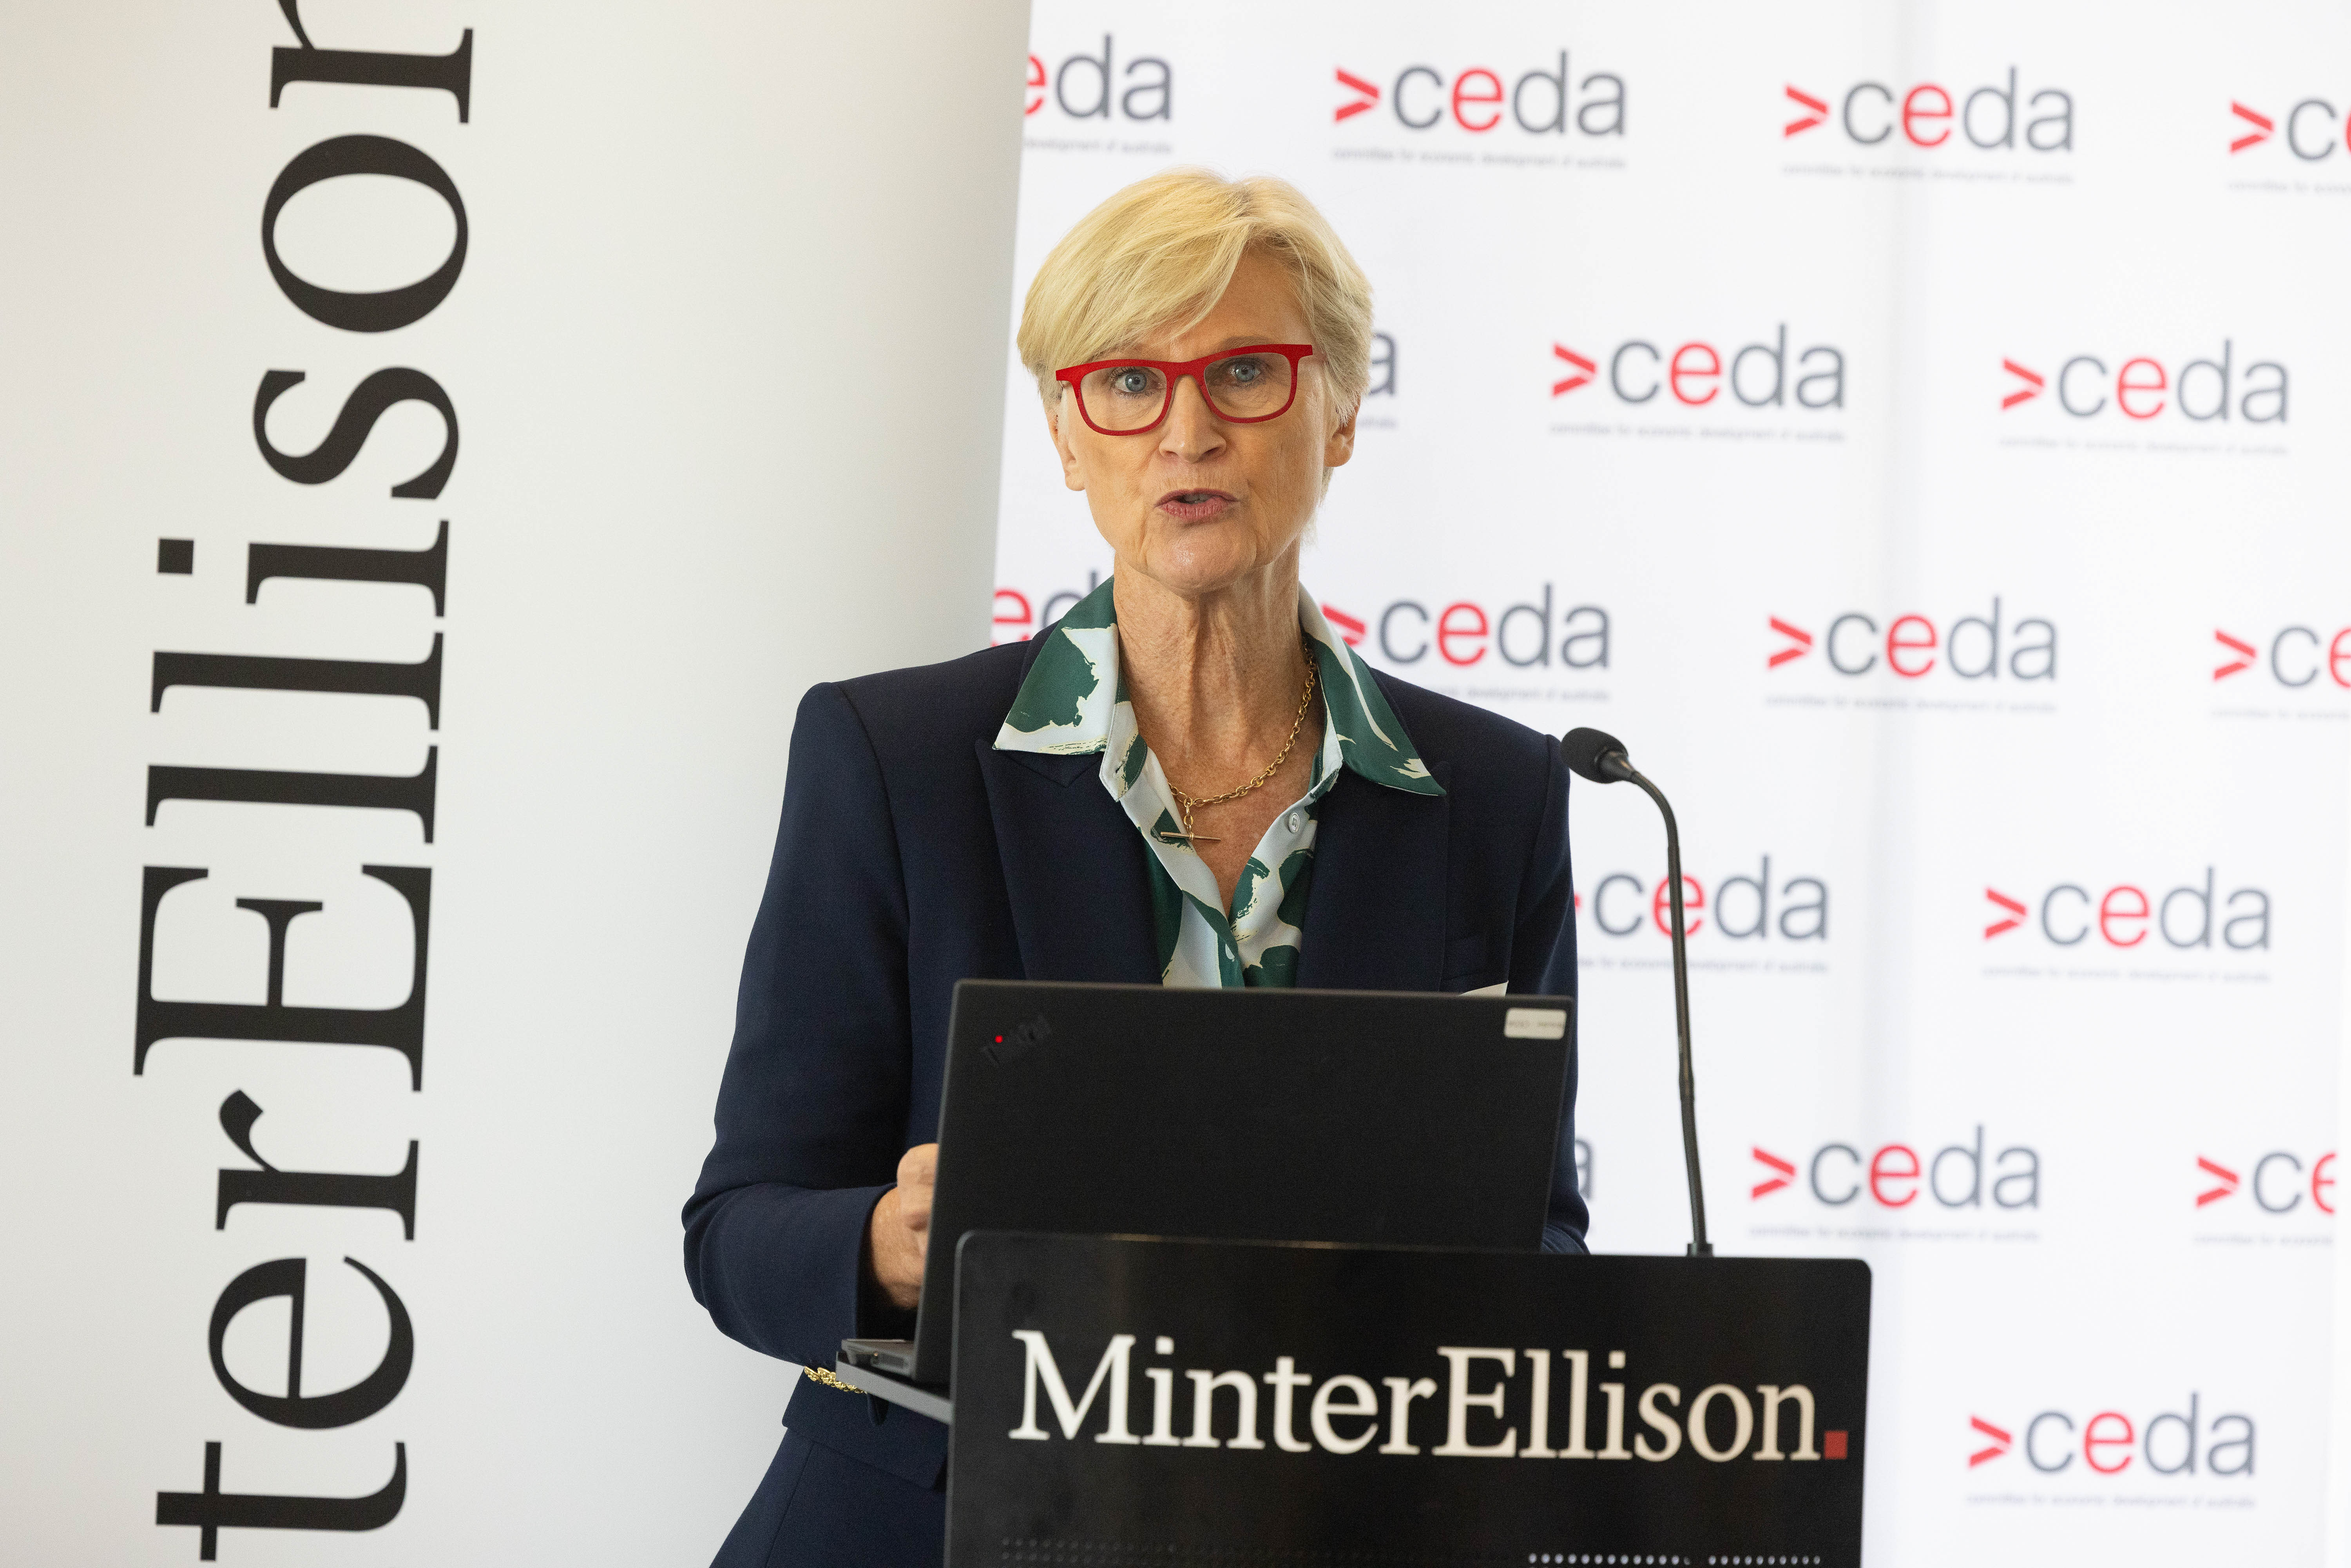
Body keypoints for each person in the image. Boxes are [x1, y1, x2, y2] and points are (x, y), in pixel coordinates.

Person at [683, 167, 1583, 1568]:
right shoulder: (894, 758)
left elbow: (1542, 1246)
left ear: (1342, 411)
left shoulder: (1494, 796)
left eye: (1246, 373)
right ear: (1066, 433)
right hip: (930, 1522)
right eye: (1125, 382)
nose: (1187, 430)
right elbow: (740, 1229)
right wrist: (884, 1242)